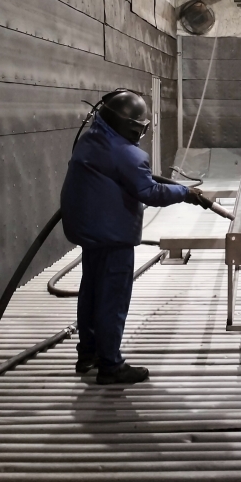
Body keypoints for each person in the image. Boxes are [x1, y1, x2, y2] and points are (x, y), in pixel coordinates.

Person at [60, 89, 205, 384]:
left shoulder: (91, 139)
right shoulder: (127, 153)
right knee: (112, 298)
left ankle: (87, 355)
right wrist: (185, 193)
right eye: (140, 127)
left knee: (91, 293)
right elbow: (150, 192)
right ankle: (110, 365)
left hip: (90, 233)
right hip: (113, 237)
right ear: (131, 126)